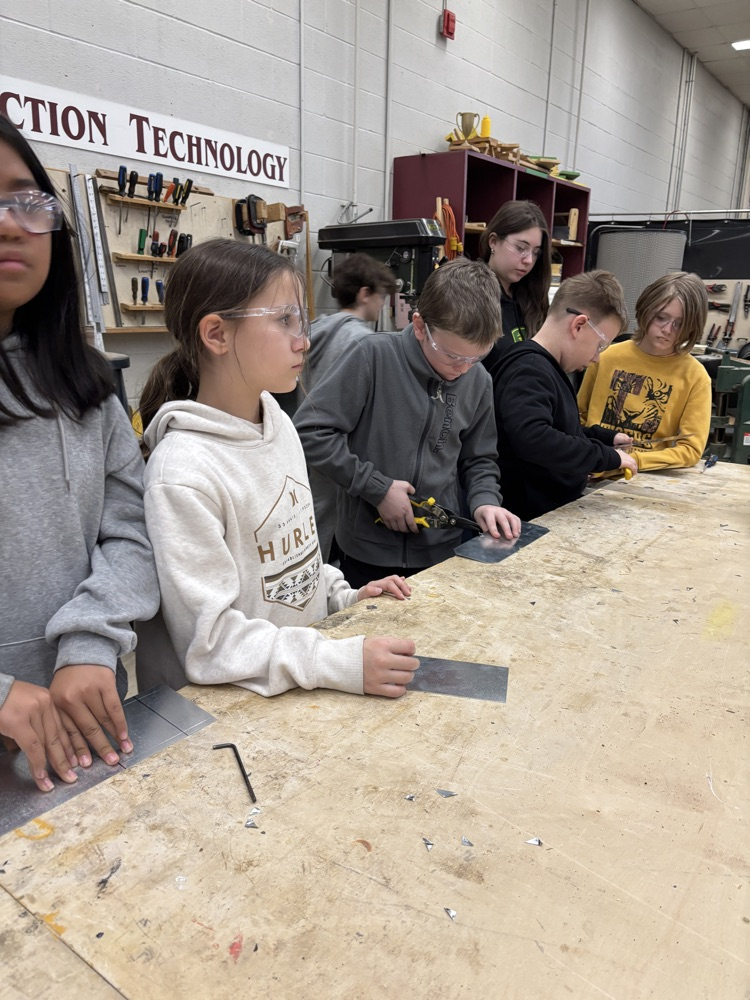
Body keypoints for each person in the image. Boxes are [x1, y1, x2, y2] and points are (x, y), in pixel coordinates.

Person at [136, 238, 419, 700]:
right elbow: (210, 643)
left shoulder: (279, 422)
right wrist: (336, 660)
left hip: (290, 691)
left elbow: (294, 557)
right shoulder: (182, 472)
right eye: (284, 320)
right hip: (225, 718)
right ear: (217, 334)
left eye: (301, 320)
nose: (303, 339)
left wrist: (342, 596)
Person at [0, 117, 159, 792]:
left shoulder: (87, 381)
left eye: (25, 200)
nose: (11, 225)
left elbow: (132, 525)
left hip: (84, 726)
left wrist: (90, 641)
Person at [293, 258, 521, 590]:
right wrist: (377, 488)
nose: (464, 369)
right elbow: (311, 432)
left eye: (476, 357)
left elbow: (478, 458)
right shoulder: (371, 356)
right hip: (368, 555)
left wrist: (485, 500)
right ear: (419, 325)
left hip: (442, 550)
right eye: (453, 356)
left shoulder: (478, 381)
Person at [492, 269, 638, 522]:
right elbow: (534, 438)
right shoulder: (529, 370)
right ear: (578, 325)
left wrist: (603, 438)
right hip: (529, 519)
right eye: (600, 345)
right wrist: (604, 457)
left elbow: (558, 428)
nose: (596, 357)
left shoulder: (544, 368)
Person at [305, 252, 398, 561]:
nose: (382, 304)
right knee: (325, 537)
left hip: (310, 452)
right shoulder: (359, 340)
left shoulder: (319, 328)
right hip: (335, 454)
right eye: (381, 295)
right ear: (364, 294)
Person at [578, 272, 711, 470]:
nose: (667, 329)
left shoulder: (696, 377)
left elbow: (690, 449)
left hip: (645, 477)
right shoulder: (605, 357)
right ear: (644, 310)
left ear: (692, 326)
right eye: (660, 318)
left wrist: (636, 461)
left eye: (679, 323)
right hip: (592, 467)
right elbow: (577, 419)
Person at [478, 200, 552, 374]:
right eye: (521, 248)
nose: (528, 260)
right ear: (493, 241)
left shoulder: (531, 295)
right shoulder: (472, 293)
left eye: (536, 252)